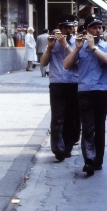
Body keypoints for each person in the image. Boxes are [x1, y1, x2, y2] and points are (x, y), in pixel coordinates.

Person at [62, 14, 107, 176]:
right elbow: (66, 65)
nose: (98, 30)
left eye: (100, 27)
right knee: (87, 127)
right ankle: (89, 160)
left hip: (102, 90)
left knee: (99, 127)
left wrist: (94, 48)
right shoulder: (80, 46)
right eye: (94, 27)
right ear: (87, 30)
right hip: (84, 91)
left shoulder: (106, 45)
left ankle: (98, 159)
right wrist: (77, 48)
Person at [40, 14, 80, 162]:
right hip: (57, 82)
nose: (70, 31)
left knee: (72, 116)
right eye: (66, 28)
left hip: (73, 82)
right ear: (60, 29)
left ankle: (68, 145)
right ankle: (57, 148)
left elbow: (77, 62)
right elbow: (43, 63)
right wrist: (49, 48)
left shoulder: (77, 43)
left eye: (71, 28)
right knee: (57, 117)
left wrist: (65, 45)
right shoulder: (52, 42)